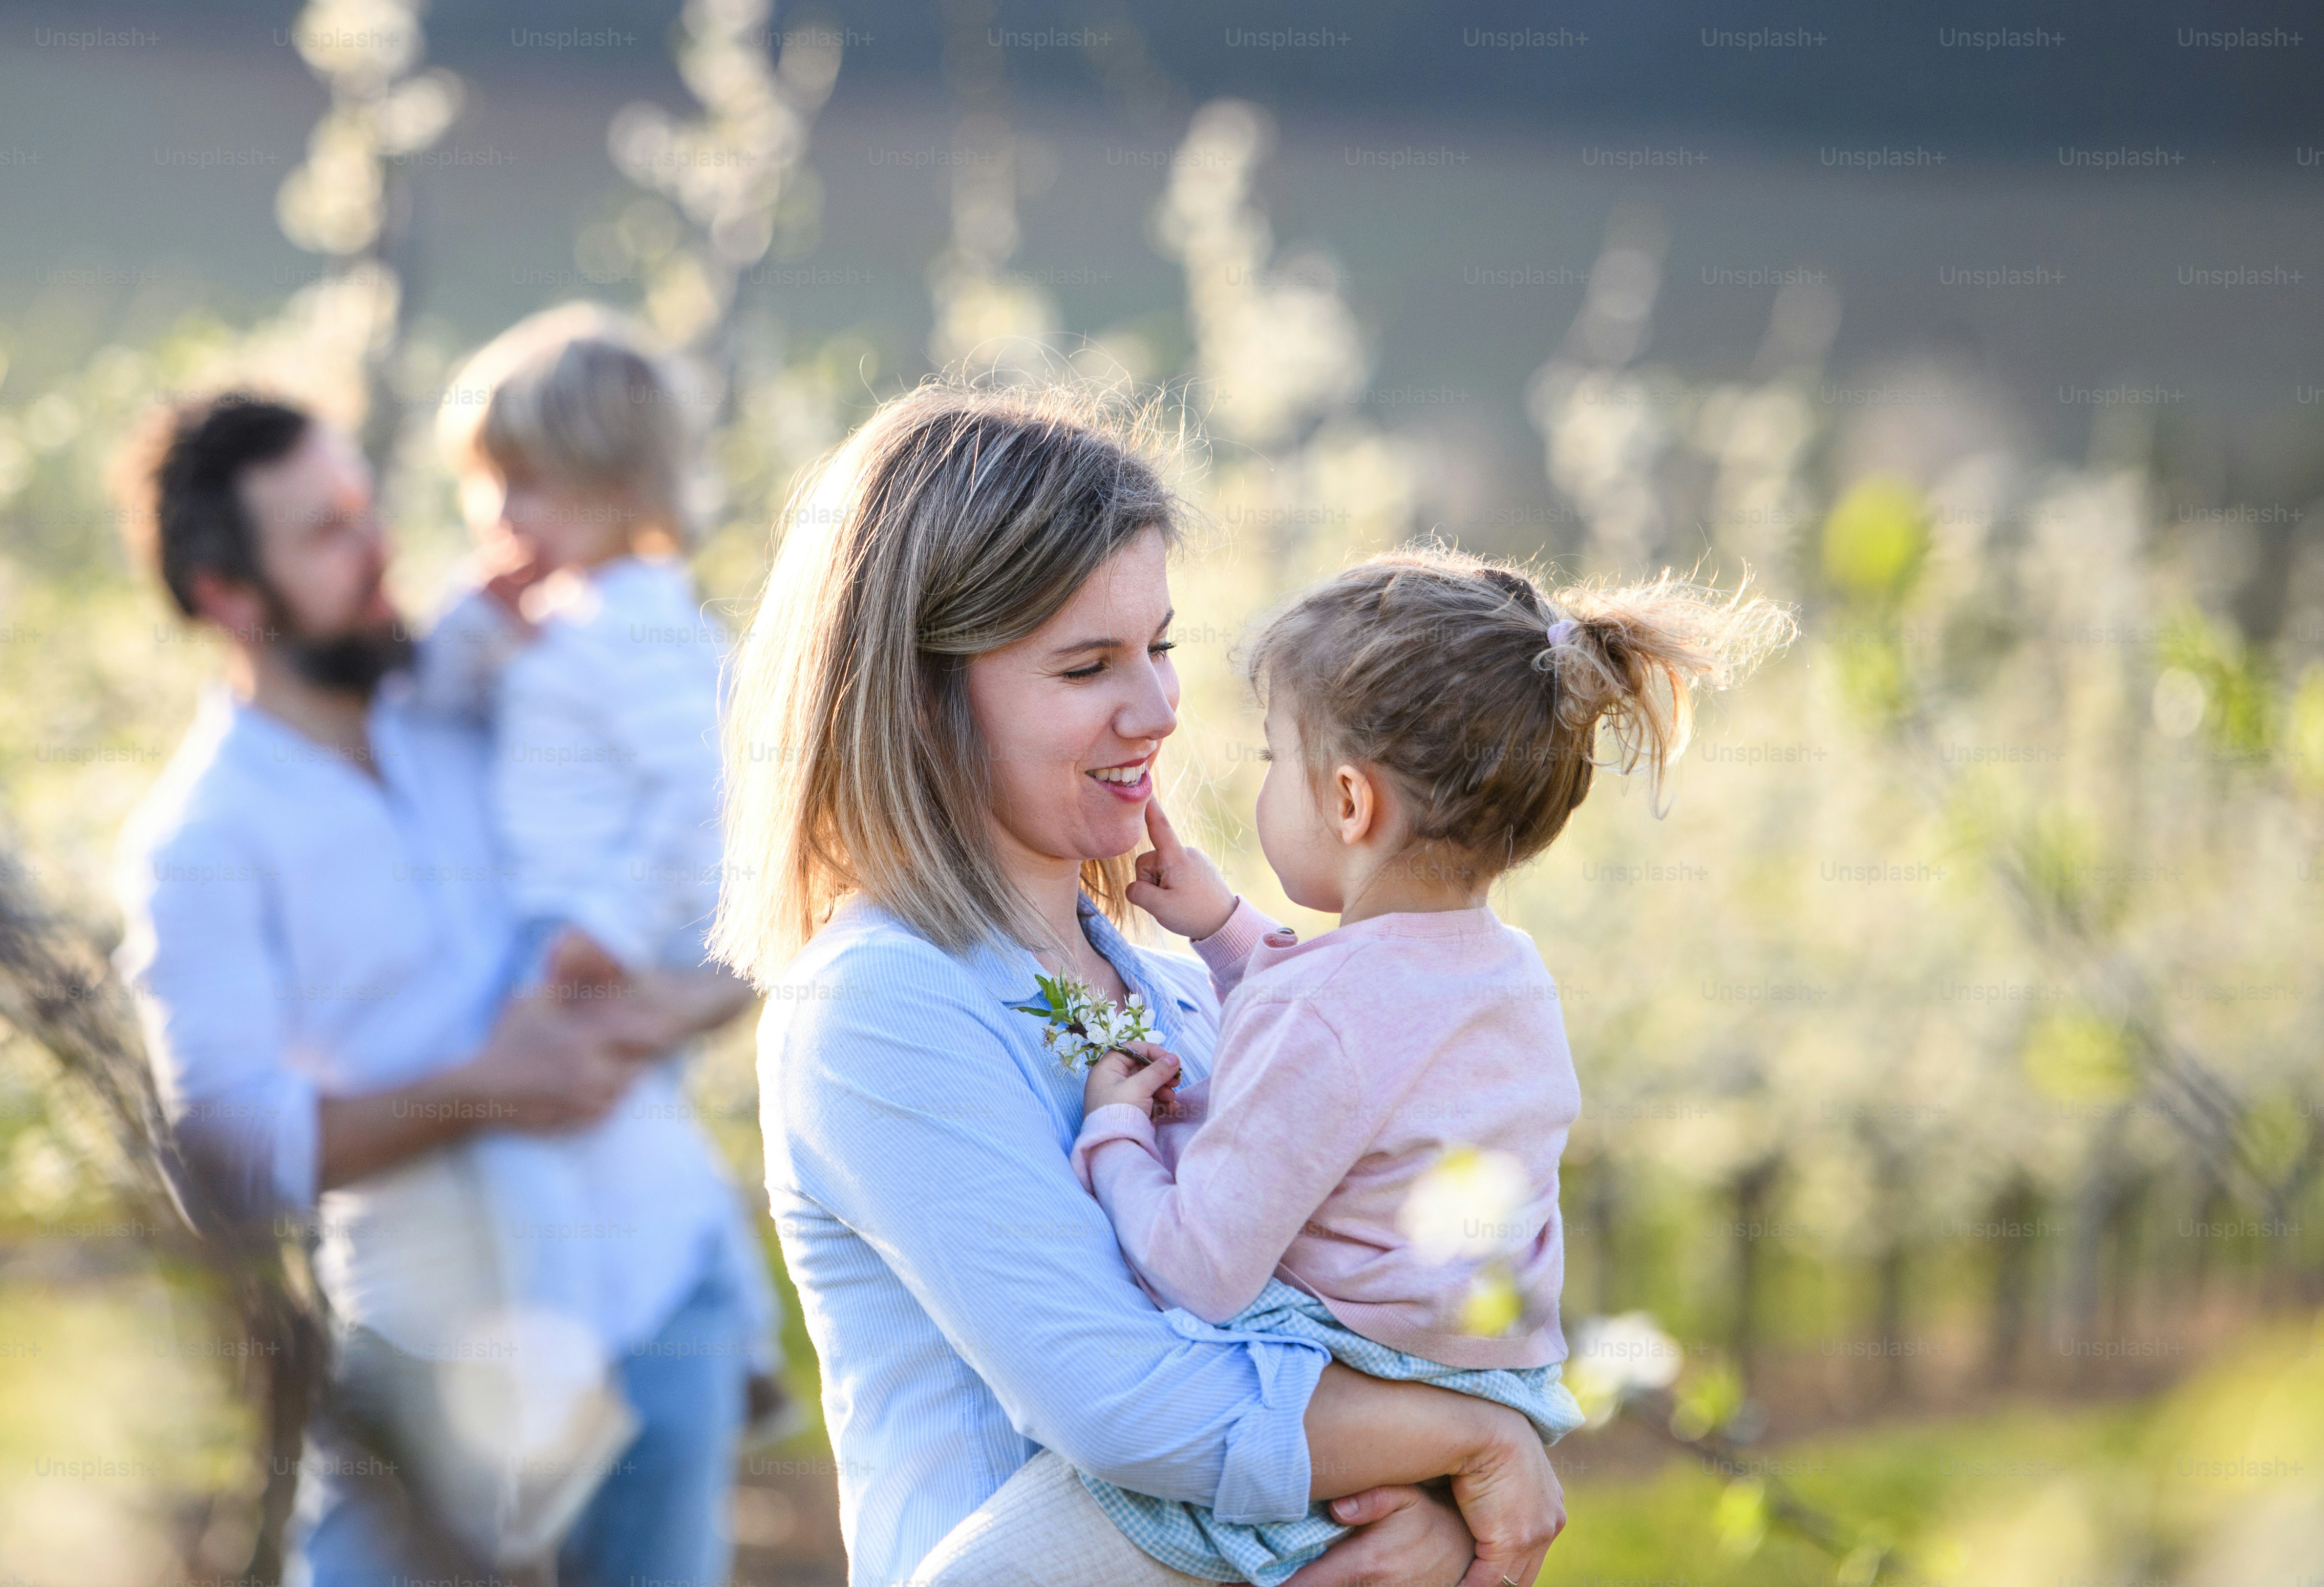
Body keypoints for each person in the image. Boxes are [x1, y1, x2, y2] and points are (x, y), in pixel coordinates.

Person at [710, 384, 1515, 1587]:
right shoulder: (878, 1007)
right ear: (917, 703)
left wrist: (1432, 1511)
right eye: (1087, 666)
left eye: (1161, 646)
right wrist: (1480, 1436)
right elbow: (1130, 1398)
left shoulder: (1174, 974)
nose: (1159, 708)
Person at [926, 549, 1793, 1587]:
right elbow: (1363, 1054)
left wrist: (1113, 1133)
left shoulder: (1319, 1014)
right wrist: (1223, 927)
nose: (1255, 783)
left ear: (1346, 798)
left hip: (1335, 1394)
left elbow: (1200, 1264)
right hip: (1479, 1378)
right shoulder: (1507, 975)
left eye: (1268, 758)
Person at [109, 393, 747, 1584]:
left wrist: (658, 1009)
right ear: (227, 596)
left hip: (665, 1283)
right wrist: (483, 1090)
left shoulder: (501, 692)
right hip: (431, 1349)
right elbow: (225, 1164)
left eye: (366, 507)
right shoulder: (199, 840)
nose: (381, 545)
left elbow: (720, 909)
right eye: (327, 531)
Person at [431, 305, 791, 1461]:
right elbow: (441, 702)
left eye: (525, 485)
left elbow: (703, 801)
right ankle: (734, 1329)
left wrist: (606, 923)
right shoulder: (572, 621)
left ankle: (570, 1365)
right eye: (489, 484)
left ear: (615, 483)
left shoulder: (630, 633)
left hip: (598, 927)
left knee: (524, 1133)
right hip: (586, 917)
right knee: (636, 1120)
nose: (497, 517)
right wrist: (465, 630)